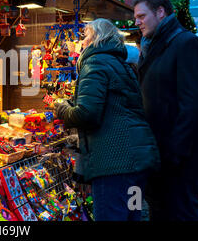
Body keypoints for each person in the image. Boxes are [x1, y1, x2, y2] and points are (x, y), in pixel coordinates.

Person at [55, 18, 160, 221]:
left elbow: (87, 114)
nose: (81, 42)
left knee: (111, 216)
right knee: (132, 215)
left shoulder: (95, 63)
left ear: (95, 38)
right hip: (136, 164)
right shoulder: (121, 64)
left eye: (85, 36)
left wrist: (62, 109)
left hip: (113, 165)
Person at [133, 0, 198, 221]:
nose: (136, 22)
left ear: (160, 12)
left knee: (179, 214)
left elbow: (193, 105)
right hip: (161, 156)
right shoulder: (156, 44)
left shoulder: (186, 43)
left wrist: (174, 154)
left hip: (180, 161)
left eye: (141, 16)